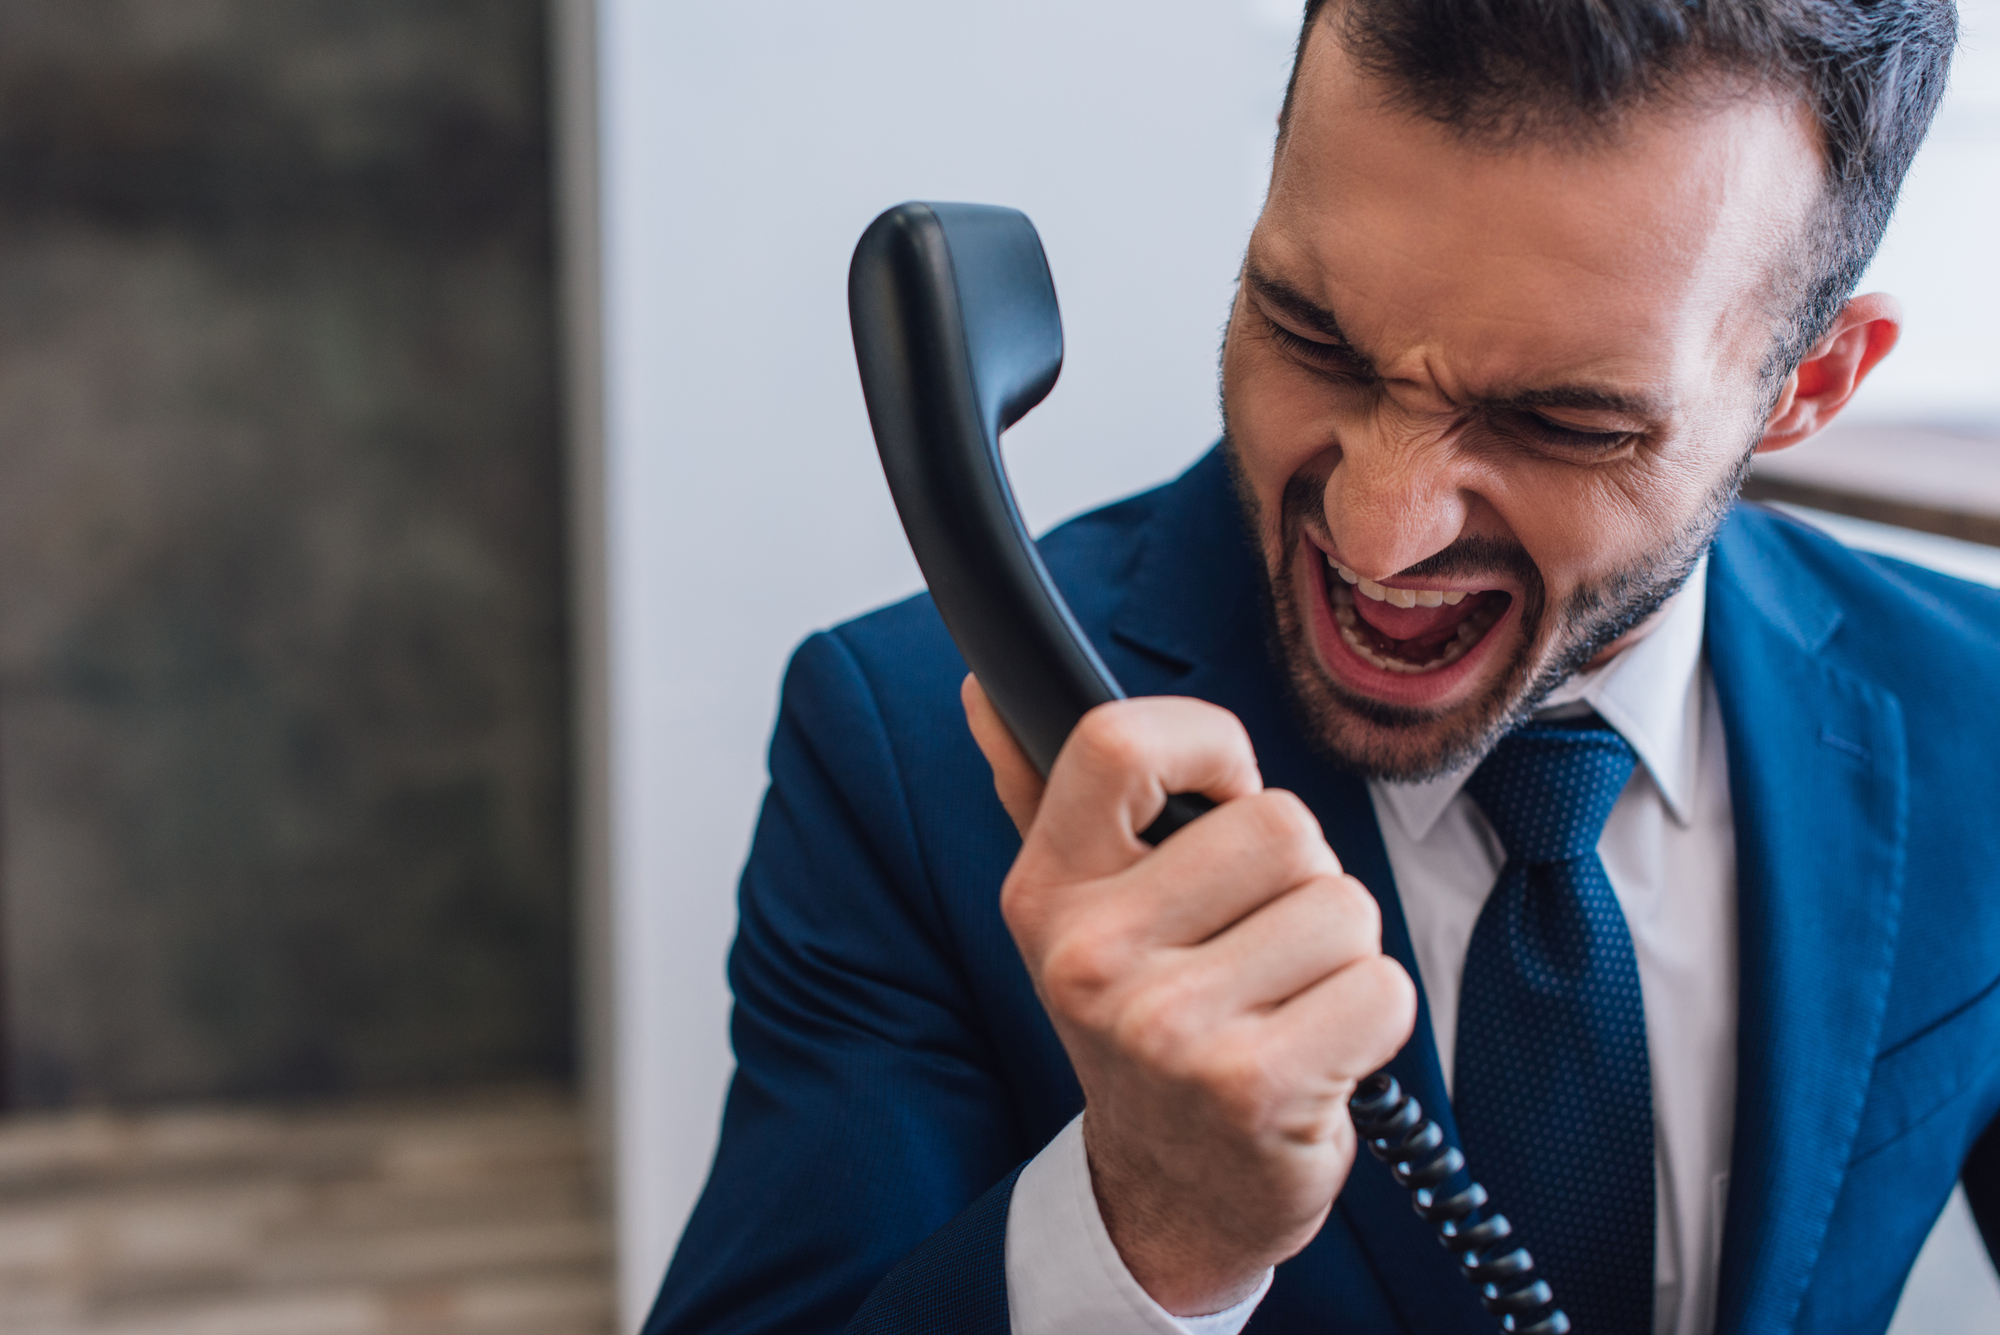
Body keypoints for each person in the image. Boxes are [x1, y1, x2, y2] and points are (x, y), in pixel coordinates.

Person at [646, 0, 1999, 1332]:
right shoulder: (901, 745)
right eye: (1310, 335)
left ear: (1809, 384)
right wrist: (1149, 1237)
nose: (1377, 531)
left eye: (1561, 420)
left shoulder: (1976, 714)